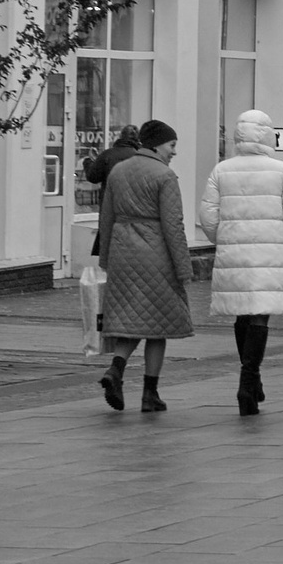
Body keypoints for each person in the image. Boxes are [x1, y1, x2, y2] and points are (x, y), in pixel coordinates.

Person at [198, 109, 283, 415]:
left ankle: (251, 377)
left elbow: (207, 215)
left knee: (241, 314)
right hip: (268, 251)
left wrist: (222, 237)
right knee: (260, 314)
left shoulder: (222, 170)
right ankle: (249, 379)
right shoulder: (281, 170)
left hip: (233, 249)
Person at [95, 120, 191, 411]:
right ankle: (150, 394)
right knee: (157, 325)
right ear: (156, 144)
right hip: (155, 255)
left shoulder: (117, 172)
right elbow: (173, 226)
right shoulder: (165, 176)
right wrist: (183, 267)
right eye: (171, 145)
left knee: (129, 319)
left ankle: (116, 369)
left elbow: (106, 218)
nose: (174, 151)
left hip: (123, 254)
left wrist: (106, 259)